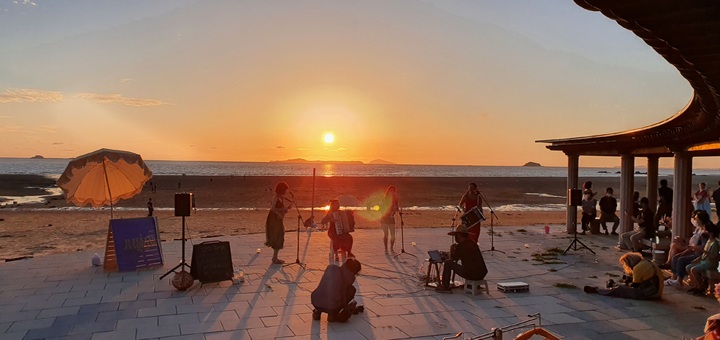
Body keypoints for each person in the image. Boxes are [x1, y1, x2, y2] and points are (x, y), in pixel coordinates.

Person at [584, 252, 663, 300]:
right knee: (624, 286)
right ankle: (613, 285)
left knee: (620, 290)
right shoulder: (646, 262)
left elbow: (635, 286)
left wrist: (627, 284)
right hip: (656, 291)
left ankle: (598, 290)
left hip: (650, 293)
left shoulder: (638, 268)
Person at [435, 224, 488, 293]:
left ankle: (445, 286)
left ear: (459, 235)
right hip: (482, 273)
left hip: (472, 274)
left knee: (448, 263)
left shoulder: (461, 245)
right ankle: (472, 285)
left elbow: (452, 259)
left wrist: (452, 249)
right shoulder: (472, 243)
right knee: (469, 266)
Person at [664, 210, 711, 288]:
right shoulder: (698, 229)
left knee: (681, 259)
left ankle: (679, 281)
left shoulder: (705, 232)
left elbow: (703, 247)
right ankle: (674, 278)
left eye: (696, 219)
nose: (694, 220)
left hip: (700, 255)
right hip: (693, 251)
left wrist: (691, 248)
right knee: (676, 257)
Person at [686, 222, 720, 296]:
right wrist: (698, 259)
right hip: (704, 261)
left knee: (693, 269)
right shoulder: (708, 241)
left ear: (710, 233)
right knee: (688, 267)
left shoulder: (715, 243)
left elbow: (713, 256)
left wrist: (703, 251)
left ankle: (700, 286)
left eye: (706, 230)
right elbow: (704, 255)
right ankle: (696, 285)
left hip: (710, 263)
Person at [265, 182, 291, 264]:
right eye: (285, 190)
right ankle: (274, 258)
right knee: (277, 236)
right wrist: (283, 210)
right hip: (273, 219)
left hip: (278, 218)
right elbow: (273, 209)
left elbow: (281, 210)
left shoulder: (282, 198)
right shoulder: (275, 197)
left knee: (280, 235)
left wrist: (286, 209)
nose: (286, 192)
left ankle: (275, 257)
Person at [379, 185, 399, 254]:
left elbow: (397, 209)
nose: (391, 192)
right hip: (384, 218)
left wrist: (394, 211)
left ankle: (391, 248)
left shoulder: (395, 200)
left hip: (391, 218)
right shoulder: (384, 199)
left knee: (393, 235)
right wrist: (385, 212)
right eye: (390, 191)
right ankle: (386, 248)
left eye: (393, 191)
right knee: (386, 234)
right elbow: (380, 207)